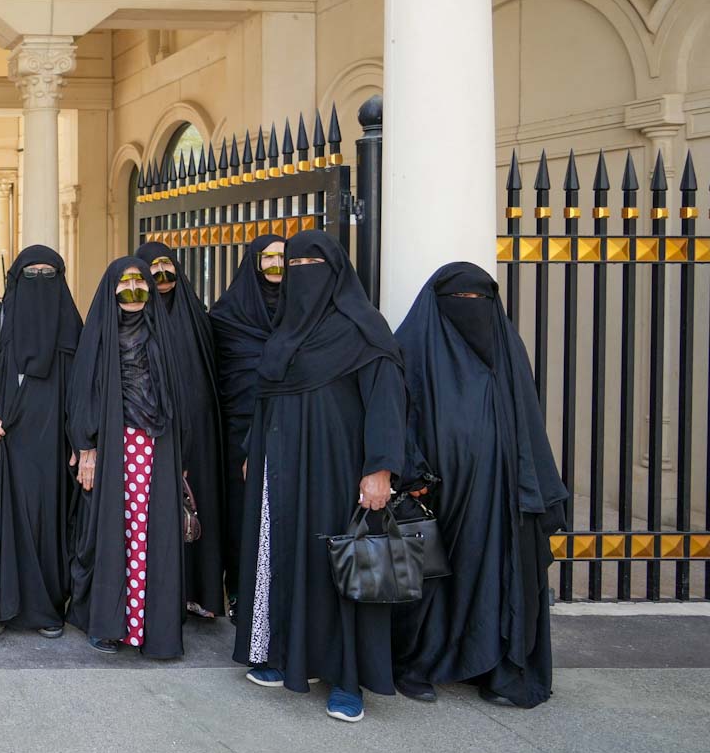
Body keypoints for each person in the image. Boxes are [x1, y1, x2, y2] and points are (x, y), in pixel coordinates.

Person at [235, 230, 405, 723]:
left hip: (336, 469)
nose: (304, 277)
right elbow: (263, 395)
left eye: (315, 267)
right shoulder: (283, 328)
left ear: (336, 272)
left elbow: (386, 405)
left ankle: (346, 680)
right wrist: (253, 449)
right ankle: (289, 657)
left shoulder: (364, 329)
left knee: (336, 567)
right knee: (287, 557)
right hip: (280, 464)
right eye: (296, 267)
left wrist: (379, 469)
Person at [392, 263, 567, 708]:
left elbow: (528, 422)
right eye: (459, 301)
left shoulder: (507, 346)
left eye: (480, 301)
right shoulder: (412, 346)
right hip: (433, 494)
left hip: (500, 495)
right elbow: (396, 414)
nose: (470, 310)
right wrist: (411, 473)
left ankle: (494, 666)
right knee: (432, 579)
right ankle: (417, 666)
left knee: (493, 572)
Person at [67, 257, 187, 658]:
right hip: (117, 447)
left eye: (142, 283)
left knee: (153, 536)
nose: (134, 291)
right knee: (118, 533)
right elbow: (83, 391)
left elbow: (179, 396)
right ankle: (112, 623)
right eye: (125, 284)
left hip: (159, 446)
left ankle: (151, 627)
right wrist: (87, 447)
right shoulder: (100, 333)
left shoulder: (163, 332)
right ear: (111, 289)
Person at [0, 246, 83, 644]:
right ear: (16, 279)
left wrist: (79, 439)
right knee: (5, 520)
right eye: (29, 274)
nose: (39, 281)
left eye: (47, 274)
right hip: (8, 439)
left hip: (52, 446)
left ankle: (45, 608)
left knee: (46, 523)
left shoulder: (70, 323)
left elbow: (84, 387)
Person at [137, 240, 226, 619]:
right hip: (155, 434)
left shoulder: (198, 319)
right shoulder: (136, 320)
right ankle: (161, 598)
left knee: (199, 509)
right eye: (152, 269)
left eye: (167, 266)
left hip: (201, 437)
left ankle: (200, 594)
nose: (162, 275)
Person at [208, 234, 285, 616]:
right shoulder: (225, 319)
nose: (275, 265)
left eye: (283, 259)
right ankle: (239, 591)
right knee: (242, 515)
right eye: (267, 258)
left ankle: (280, 594)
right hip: (237, 431)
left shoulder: (302, 314)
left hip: (290, 429)